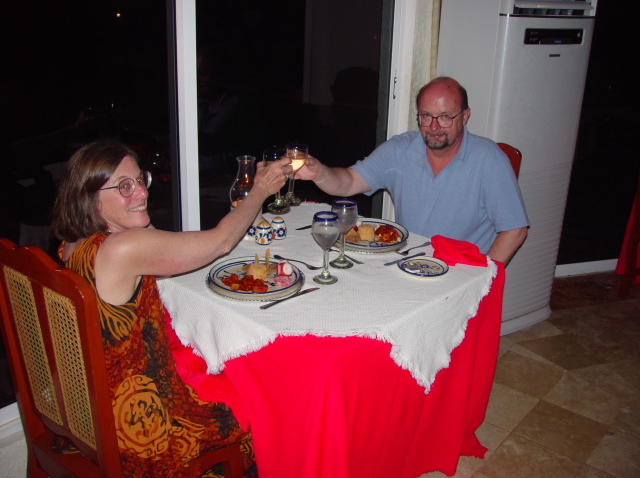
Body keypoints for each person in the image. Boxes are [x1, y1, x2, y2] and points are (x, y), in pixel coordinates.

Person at [51, 139, 291, 477]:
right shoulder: (121, 249)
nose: (141, 192)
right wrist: (260, 191)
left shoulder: (72, 244)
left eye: (140, 180)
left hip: (90, 405)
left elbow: (158, 246)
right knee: (266, 393)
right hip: (142, 427)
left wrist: (135, 216)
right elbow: (221, 242)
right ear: (88, 197)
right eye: (123, 186)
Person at [296, 76, 529, 266]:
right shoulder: (400, 150)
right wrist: (319, 173)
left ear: (465, 116)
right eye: (426, 116)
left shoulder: (489, 159)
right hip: (406, 266)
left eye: (445, 117)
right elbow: (348, 182)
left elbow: (515, 230)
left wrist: (483, 278)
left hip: (457, 273)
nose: (434, 126)